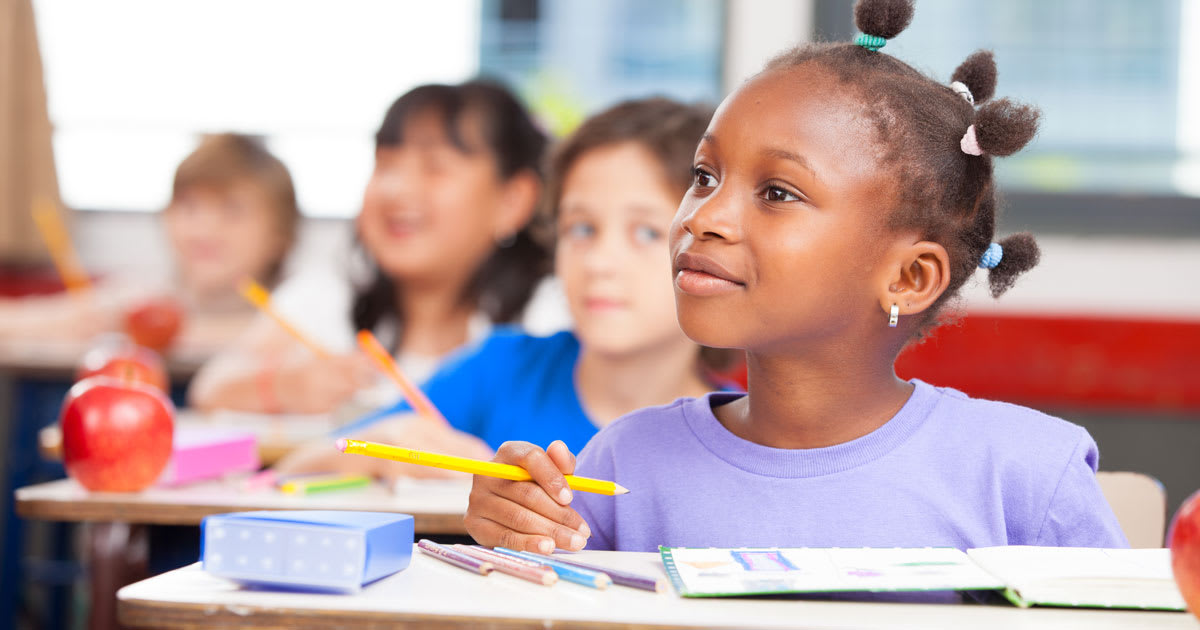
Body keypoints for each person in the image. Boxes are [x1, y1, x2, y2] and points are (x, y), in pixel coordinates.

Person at [462, 0, 1129, 554]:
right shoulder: (621, 466)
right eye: (704, 177)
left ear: (909, 277)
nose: (704, 217)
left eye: (777, 192)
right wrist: (517, 537)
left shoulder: (1026, 477)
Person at [273, 98, 735, 480]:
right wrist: (385, 445)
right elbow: (296, 471)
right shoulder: (501, 369)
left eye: (647, 233)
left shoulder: (738, 425)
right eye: (580, 229)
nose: (599, 262)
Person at [189, 81, 557, 415]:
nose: (396, 189)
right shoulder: (329, 296)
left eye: (434, 167)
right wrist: (283, 387)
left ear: (513, 199)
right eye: (385, 164)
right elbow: (208, 389)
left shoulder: (547, 320)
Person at [0, 133, 299, 350]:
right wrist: (72, 321)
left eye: (232, 211)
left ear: (279, 236)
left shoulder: (299, 305)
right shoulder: (145, 299)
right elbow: (16, 320)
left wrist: (171, 333)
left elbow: (288, 337)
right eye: (188, 207)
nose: (203, 229)